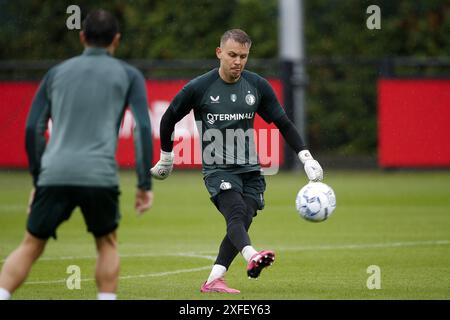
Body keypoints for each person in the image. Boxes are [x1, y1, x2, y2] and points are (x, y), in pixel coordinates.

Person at [151, 29, 323, 293]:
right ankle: (252, 256)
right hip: (218, 169)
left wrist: (305, 156)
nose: (238, 62)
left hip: (251, 170)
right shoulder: (199, 87)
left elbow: (283, 122)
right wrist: (166, 156)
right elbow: (169, 118)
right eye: (232, 55)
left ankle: (213, 279)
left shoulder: (256, 86)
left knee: (242, 221)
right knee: (236, 213)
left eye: (243, 56)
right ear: (219, 53)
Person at [0, 9, 153, 300]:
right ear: (116, 40)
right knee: (107, 243)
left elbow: (33, 128)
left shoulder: (56, 73)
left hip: (54, 173)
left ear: (82, 37)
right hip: (100, 175)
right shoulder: (129, 74)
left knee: (31, 244)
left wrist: (38, 178)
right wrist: (144, 184)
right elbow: (143, 128)